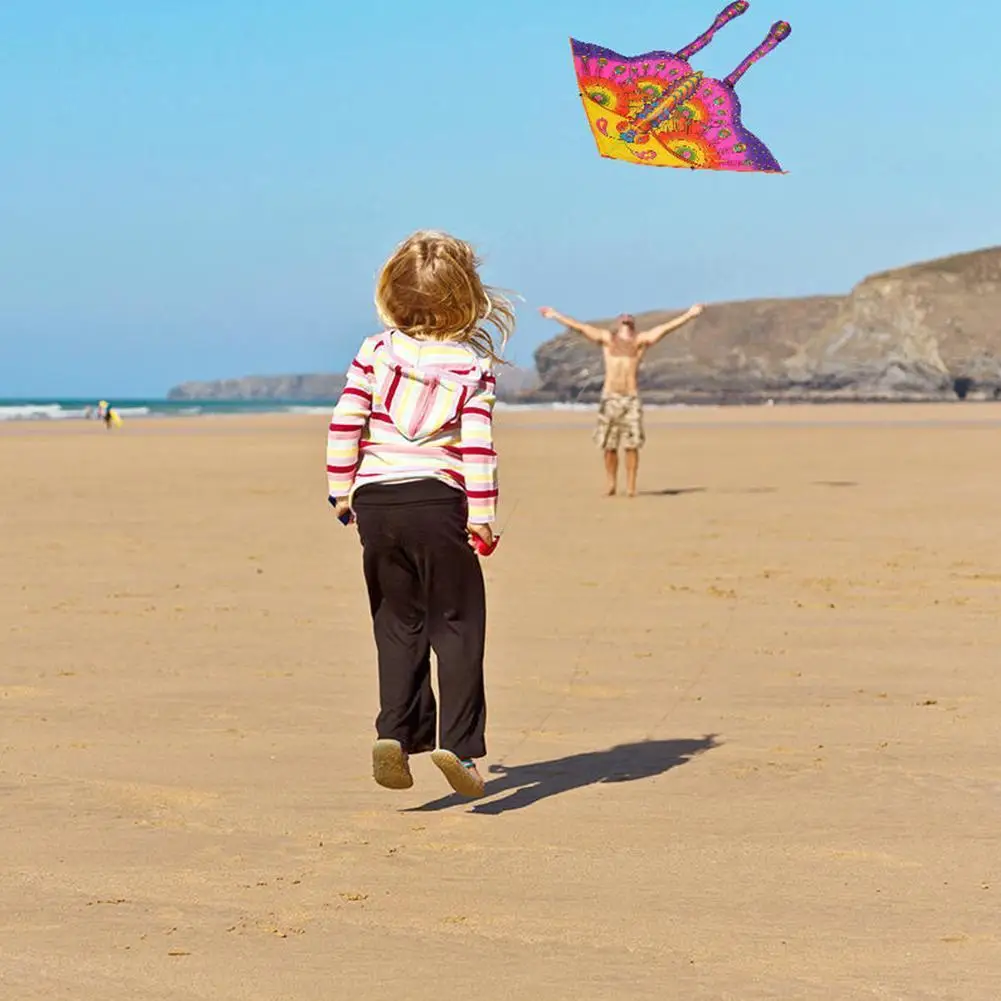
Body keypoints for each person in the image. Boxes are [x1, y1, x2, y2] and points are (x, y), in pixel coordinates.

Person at [326, 230, 514, 800]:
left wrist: (341, 490)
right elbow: (478, 447)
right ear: (467, 299)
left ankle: (394, 732)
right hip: (438, 502)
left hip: (378, 504)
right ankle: (456, 745)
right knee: (456, 625)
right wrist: (481, 515)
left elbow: (345, 421)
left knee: (397, 623)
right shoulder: (471, 366)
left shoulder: (374, 352)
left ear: (391, 294)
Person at [538, 304, 703, 496]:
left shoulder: (640, 342)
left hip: (630, 398)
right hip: (610, 398)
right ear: (617, 324)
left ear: (632, 325)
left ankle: (631, 485)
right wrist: (556, 315)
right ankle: (611, 483)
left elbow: (666, 329)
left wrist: (689, 315)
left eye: (628, 319)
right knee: (609, 446)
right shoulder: (608, 341)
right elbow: (580, 328)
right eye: (622, 319)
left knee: (632, 445)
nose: (625, 320)